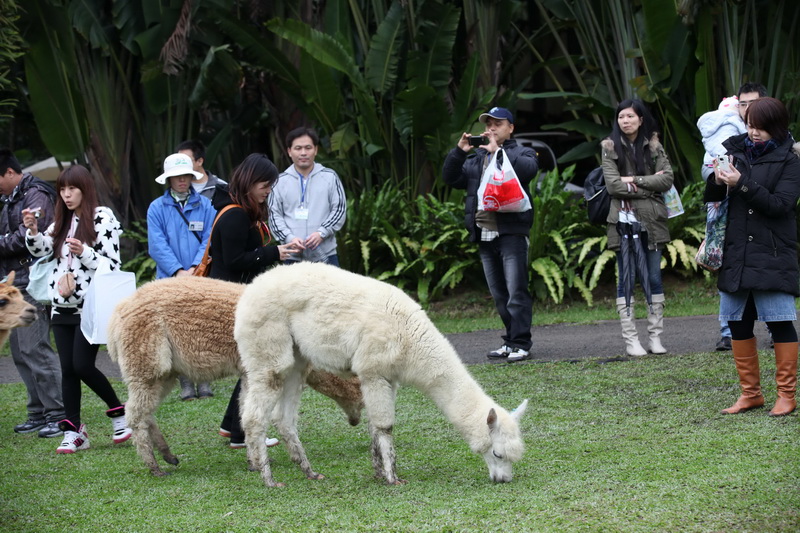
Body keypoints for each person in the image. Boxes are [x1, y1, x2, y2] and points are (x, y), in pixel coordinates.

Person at [22, 165, 132, 453]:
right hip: (61, 305)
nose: (66, 194)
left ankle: (119, 412)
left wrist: (85, 252)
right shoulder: (62, 218)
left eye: (72, 188)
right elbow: (42, 249)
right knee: (68, 370)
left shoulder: (102, 217)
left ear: (85, 188)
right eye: (62, 189)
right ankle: (73, 431)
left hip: (90, 306)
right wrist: (33, 231)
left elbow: (112, 265)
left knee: (82, 365)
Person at [707, 97, 800, 417]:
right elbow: (716, 196)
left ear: (777, 127)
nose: (753, 133)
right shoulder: (735, 148)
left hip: (772, 250)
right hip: (737, 251)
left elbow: (781, 205)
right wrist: (717, 180)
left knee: (780, 323)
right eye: (749, 125)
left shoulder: (790, 159)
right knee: (737, 323)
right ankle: (751, 394)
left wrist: (742, 184)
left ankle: (786, 395)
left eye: (760, 127)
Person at [210, 153, 301, 448]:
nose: (268, 191)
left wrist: (276, 252)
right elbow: (236, 260)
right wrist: (275, 253)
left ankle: (232, 427)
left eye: (270, 185)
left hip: (236, 296)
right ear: (249, 181)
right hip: (233, 299)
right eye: (265, 184)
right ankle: (238, 430)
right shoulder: (236, 214)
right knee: (254, 364)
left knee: (250, 365)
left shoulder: (235, 209)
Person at [441, 107, 537, 362]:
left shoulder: (520, 152)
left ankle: (521, 343)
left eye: (498, 123)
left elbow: (529, 169)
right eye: (488, 124)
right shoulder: (476, 159)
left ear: (511, 128)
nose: (492, 128)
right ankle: (510, 341)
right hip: (484, 232)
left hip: (512, 232)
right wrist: (459, 151)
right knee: (499, 294)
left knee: (516, 290)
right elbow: (450, 178)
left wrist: (498, 151)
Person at [697, 82, 768, 351]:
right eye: (743, 103)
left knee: (766, 268)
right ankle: (727, 332)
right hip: (729, 213)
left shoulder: (775, 132)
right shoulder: (723, 132)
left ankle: (775, 329)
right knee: (729, 271)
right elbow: (707, 170)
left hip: (762, 211)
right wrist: (720, 176)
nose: (747, 109)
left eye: (754, 103)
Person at [0, 149, 65, 439]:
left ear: (10, 173)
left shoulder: (36, 194)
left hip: (32, 281)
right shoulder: (8, 198)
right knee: (19, 351)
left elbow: (30, 238)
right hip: (12, 282)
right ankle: (37, 412)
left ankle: (59, 414)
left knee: (34, 347)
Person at [601, 99, 674, 357]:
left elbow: (666, 179)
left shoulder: (654, 146)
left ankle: (655, 337)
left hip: (651, 221)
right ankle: (631, 340)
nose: (626, 121)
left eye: (630, 116)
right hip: (621, 222)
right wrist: (647, 186)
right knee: (627, 278)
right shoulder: (609, 148)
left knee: (653, 276)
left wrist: (632, 180)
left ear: (640, 119)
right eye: (621, 116)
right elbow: (612, 186)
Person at [147, 152, 216, 400]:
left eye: (185, 175)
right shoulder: (156, 208)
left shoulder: (206, 206)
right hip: (170, 279)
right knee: (176, 331)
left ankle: (204, 379)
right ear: (169, 179)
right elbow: (157, 245)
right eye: (176, 176)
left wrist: (196, 268)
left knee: (202, 327)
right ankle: (186, 382)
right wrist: (178, 271)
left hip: (200, 276)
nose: (182, 180)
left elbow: (209, 238)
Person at [269, 127, 346, 265]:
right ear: (289, 151)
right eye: (298, 148)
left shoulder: (329, 177)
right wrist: (289, 238)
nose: (303, 152)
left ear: (315, 150)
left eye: (308, 148)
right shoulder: (279, 182)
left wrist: (321, 233)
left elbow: (339, 210)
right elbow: (274, 216)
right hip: (292, 256)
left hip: (326, 255)